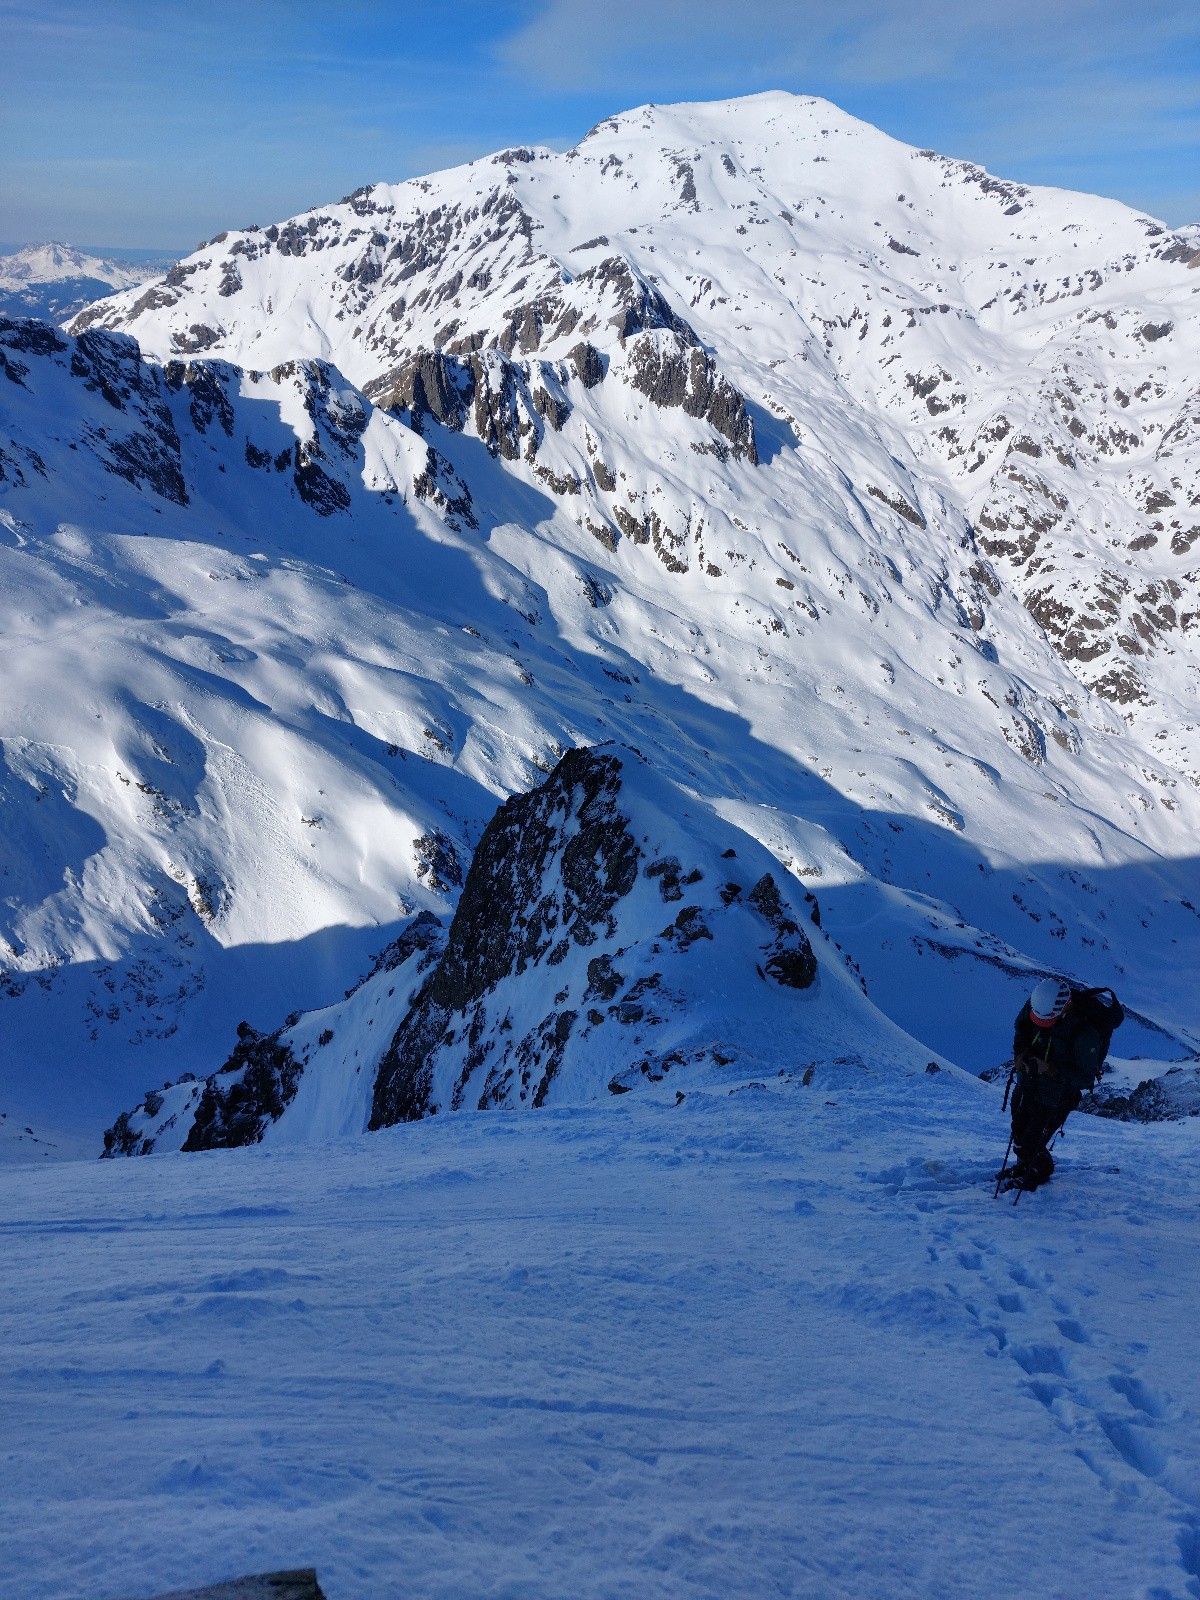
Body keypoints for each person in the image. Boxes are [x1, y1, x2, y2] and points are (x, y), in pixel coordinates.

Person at [1000, 977, 1123, 1193]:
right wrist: (1020, 1054)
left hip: (1056, 1097)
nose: (1040, 1023)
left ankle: (1037, 1173)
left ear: (1065, 1007)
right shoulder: (1038, 1004)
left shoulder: (1085, 1034)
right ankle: (1024, 1167)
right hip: (1027, 1082)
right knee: (1018, 1132)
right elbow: (1022, 1028)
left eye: (1047, 1020)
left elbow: (1085, 1078)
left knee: (1032, 1142)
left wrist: (1051, 1070)